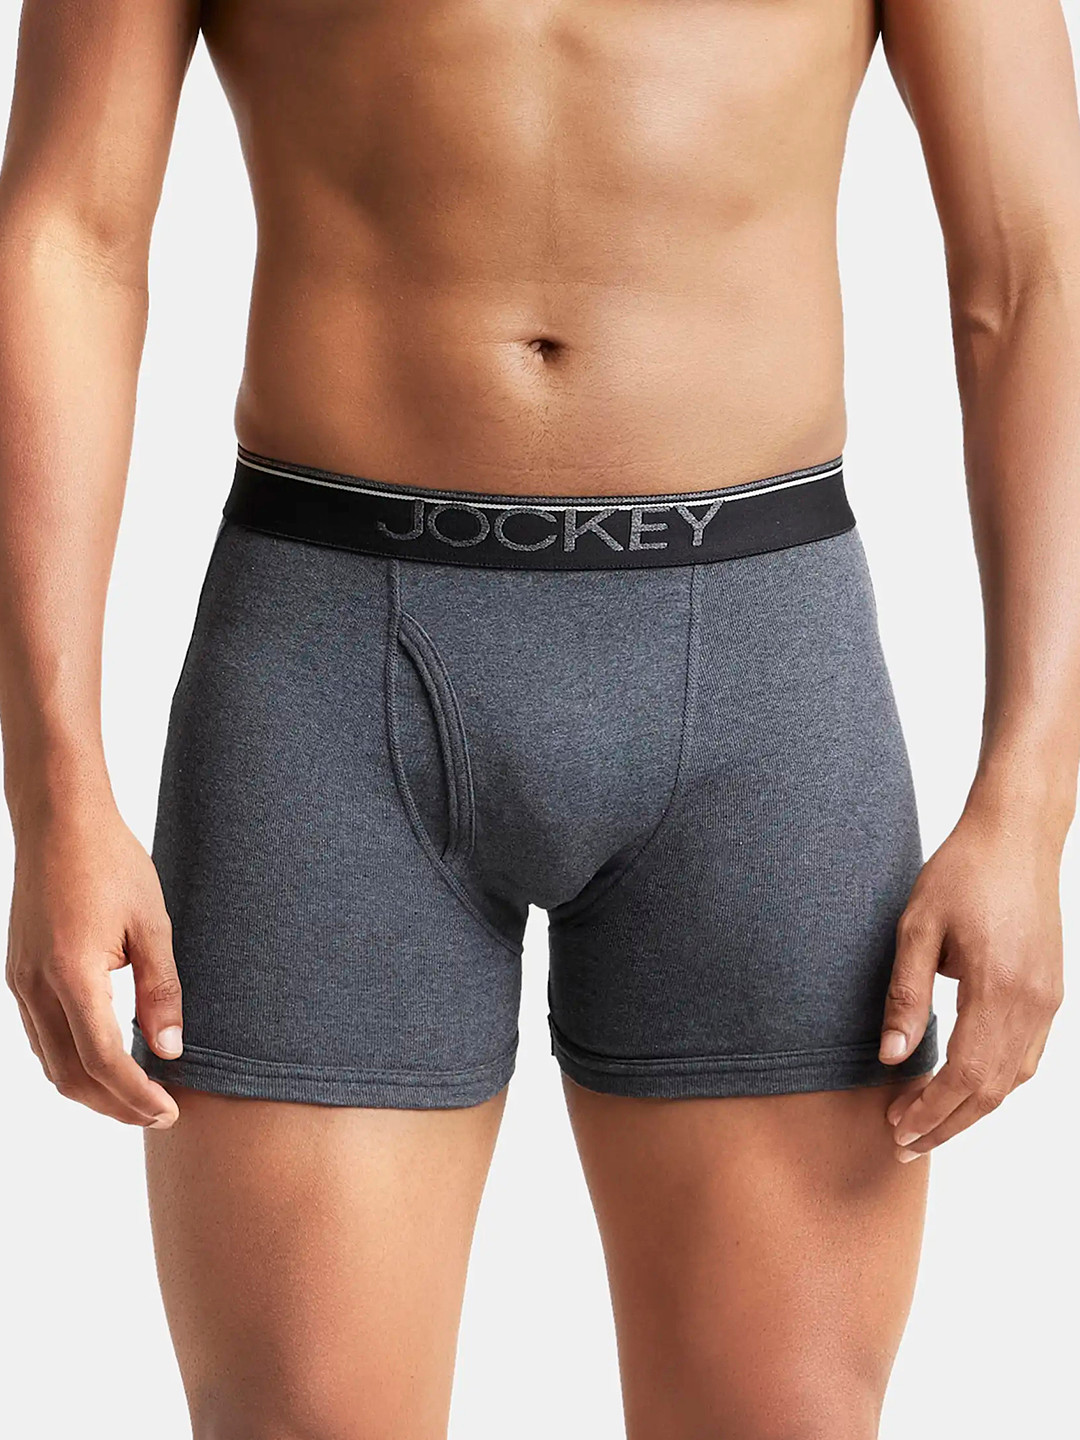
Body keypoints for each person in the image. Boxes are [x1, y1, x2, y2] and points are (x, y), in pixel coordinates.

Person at [1, 1, 1078, 1436]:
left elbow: (1034, 270)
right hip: (329, 667)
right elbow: (67, 236)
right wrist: (54, 790)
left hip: (760, 676)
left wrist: (1029, 806)